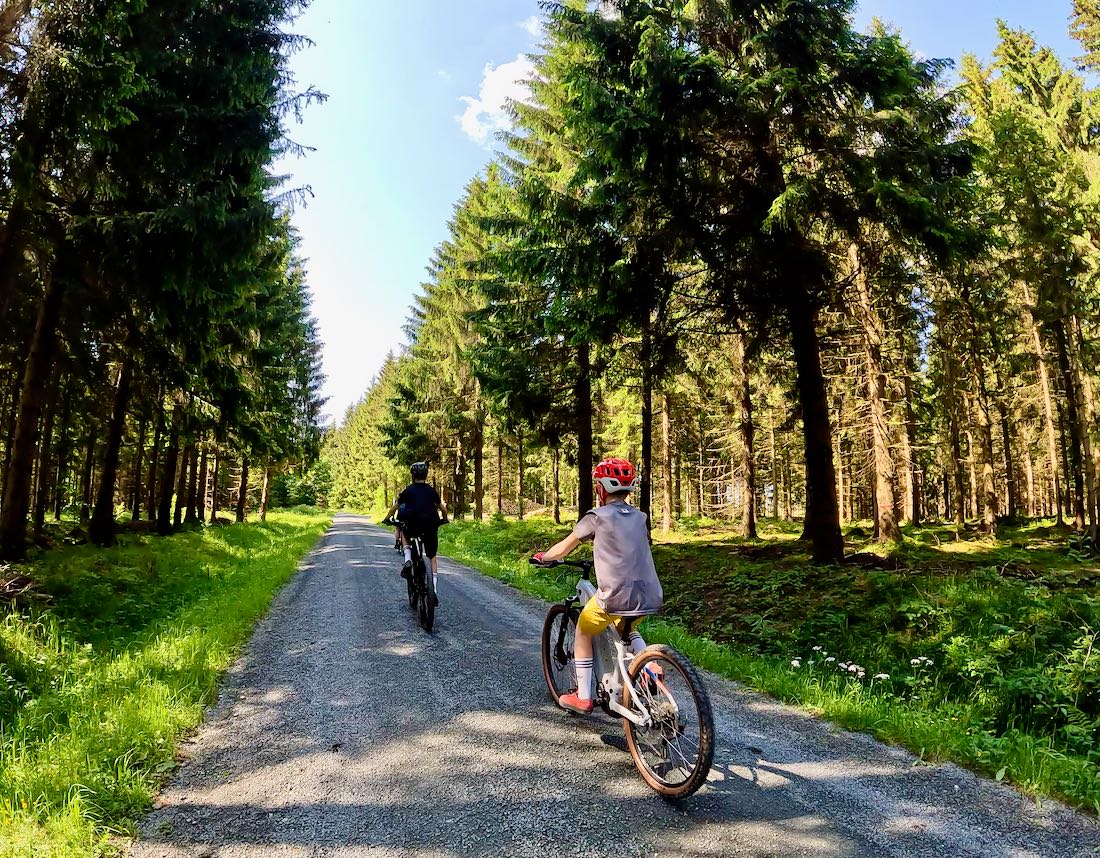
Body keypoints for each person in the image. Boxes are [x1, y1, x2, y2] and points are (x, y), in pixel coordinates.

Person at [533, 457, 663, 714]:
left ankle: (582, 696)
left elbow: (566, 546)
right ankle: (649, 667)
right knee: (626, 625)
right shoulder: (639, 517)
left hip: (615, 595)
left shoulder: (596, 516)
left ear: (601, 488)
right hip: (650, 593)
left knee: (583, 628)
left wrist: (543, 557)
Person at [382, 462, 448, 604]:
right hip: (430, 524)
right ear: (426, 475)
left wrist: (387, 518)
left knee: (405, 532)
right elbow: (442, 508)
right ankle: (434, 590)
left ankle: (407, 559)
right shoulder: (431, 491)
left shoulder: (409, 490)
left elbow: (396, 506)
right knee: (432, 556)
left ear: (413, 475)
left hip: (412, 524)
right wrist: (445, 519)